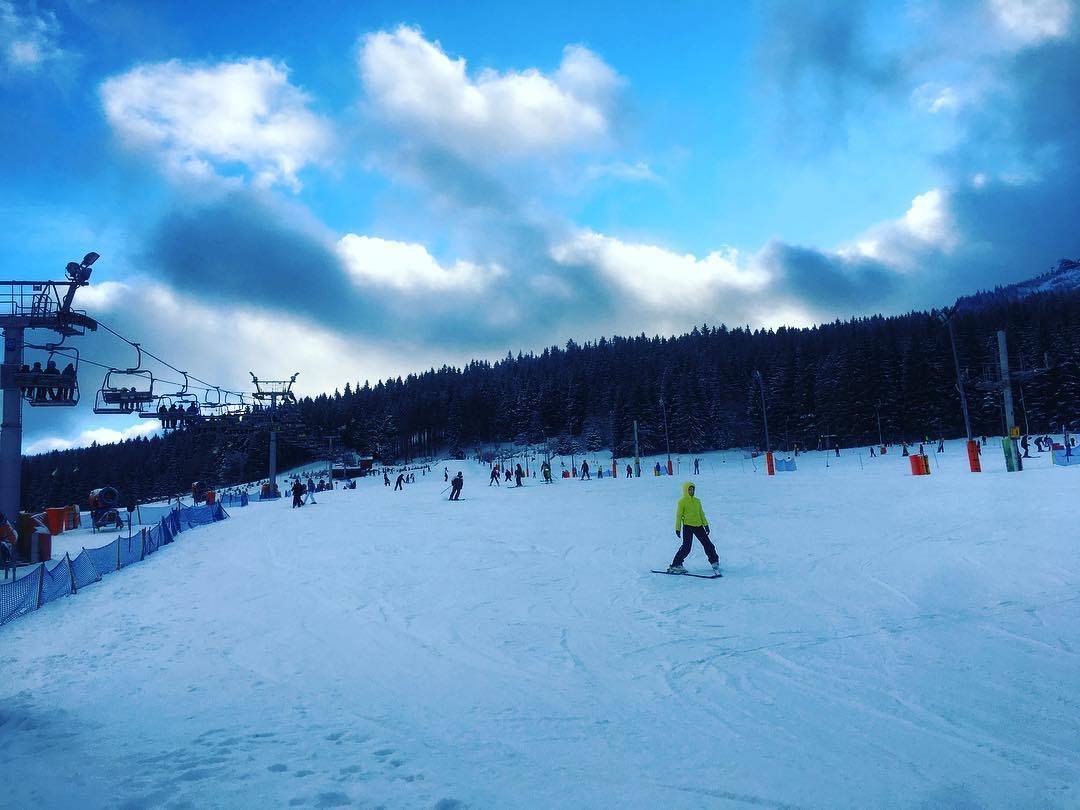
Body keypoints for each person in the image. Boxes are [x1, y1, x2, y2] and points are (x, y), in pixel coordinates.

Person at [667, 482, 721, 575]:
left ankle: (714, 562)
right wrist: (678, 528)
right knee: (686, 547)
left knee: (708, 544)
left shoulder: (697, 501)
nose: (691, 491)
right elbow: (679, 516)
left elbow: (701, 514)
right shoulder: (682, 502)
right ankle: (676, 564)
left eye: (692, 489)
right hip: (688, 526)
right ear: (685, 490)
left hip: (699, 526)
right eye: (689, 489)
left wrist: (706, 525)